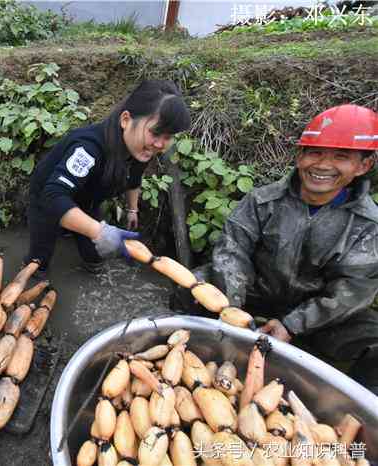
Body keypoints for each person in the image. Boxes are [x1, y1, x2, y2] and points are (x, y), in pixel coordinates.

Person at [174, 104, 378, 394]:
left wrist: (293, 324)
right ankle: (198, 364)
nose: (322, 165)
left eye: (340, 157)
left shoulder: (368, 225)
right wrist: (231, 307)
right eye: (315, 152)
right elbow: (233, 250)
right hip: (253, 297)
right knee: (190, 287)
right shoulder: (262, 201)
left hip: (317, 317)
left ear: (363, 166)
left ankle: (348, 408)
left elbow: (351, 291)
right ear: (299, 157)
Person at [24, 80, 191, 276]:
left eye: (168, 136)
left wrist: (132, 210)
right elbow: (52, 197)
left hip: (86, 201)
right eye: (155, 133)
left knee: (95, 259)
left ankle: (73, 231)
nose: (161, 144)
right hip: (47, 198)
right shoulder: (88, 148)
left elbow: (134, 179)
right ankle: (41, 263)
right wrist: (99, 231)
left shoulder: (140, 149)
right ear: (126, 119)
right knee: (38, 262)